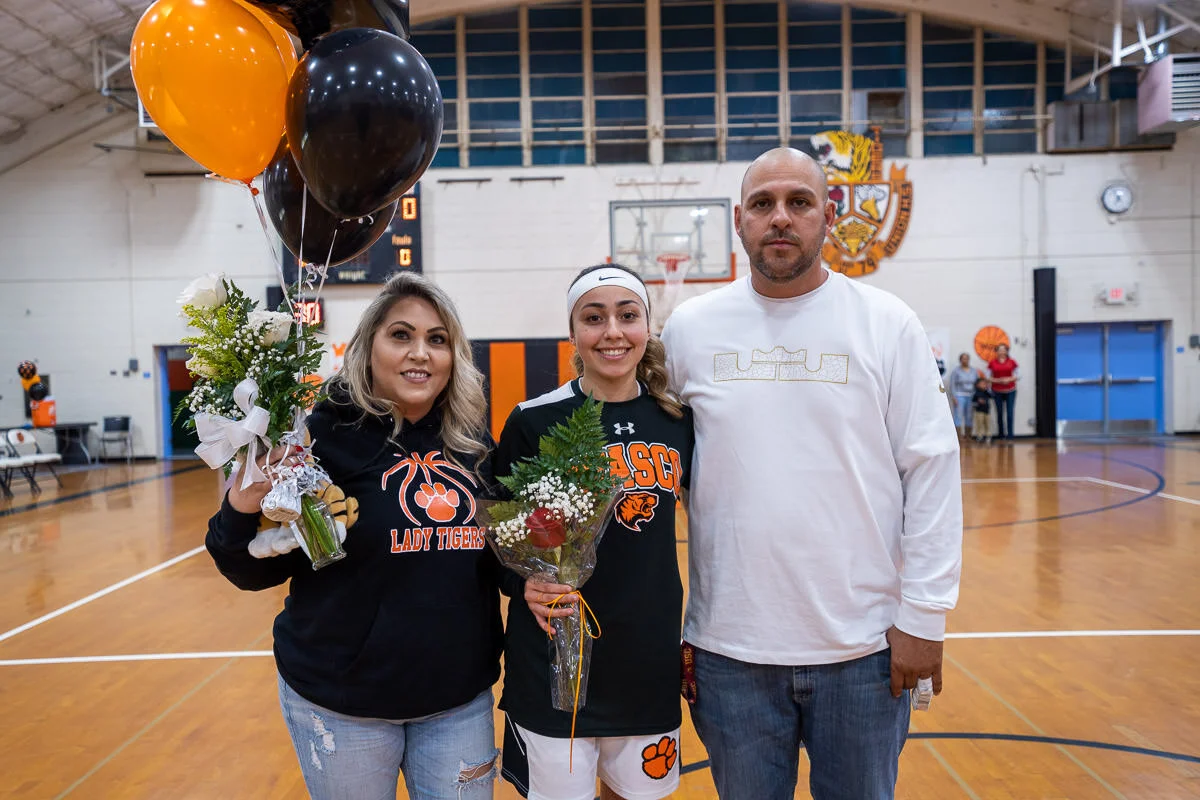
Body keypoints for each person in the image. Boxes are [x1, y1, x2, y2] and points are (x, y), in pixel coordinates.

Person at [660, 147, 963, 800]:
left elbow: (932, 470)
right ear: (739, 220)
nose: (780, 218)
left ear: (829, 215)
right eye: (763, 204)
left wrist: (926, 618)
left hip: (864, 650)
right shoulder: (689, 330)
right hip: (729, 653)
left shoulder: (887, 323)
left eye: (798, 202)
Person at [205, 272, 503, 800]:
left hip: (457, 701)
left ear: (453, 356)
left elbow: (499, 560)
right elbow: (250, 571)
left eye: (437, 339)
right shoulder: (318, 438)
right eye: (401, 335)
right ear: (368, 348)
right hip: (341, 703)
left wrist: (546, 569)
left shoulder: (471, 441)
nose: (420, 353)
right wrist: (240, 507)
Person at [494, 263, 694, 800]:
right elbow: (496, 534)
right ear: (573, 333)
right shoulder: (533, 420)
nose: (612, 332)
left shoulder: (677, 421)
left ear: (646, 327)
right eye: (593, 318)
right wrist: (523, 584)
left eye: (627, 316)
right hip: (554, 661)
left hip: (646, 660)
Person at [986, 343, 1018, 440]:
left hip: (1010, 390)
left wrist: (1009, 379)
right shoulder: (992, 363)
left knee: (1010, 413)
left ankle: (1010, 435)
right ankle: (1001, 434)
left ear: (1007, 351)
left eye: (1004, 350)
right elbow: (987, 377)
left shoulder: (1012, 362)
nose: (1002, 352)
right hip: (997, 391)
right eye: (1000, 350)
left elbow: (1018, 375)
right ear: (996, 352)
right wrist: (998, 380)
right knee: (999, 413)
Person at [948, 352, 981, 438]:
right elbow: (952, 384)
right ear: (960, 360)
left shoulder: (974, 371)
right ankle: (958, 437)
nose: (965, 360)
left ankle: (968, 436)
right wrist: (954, 397)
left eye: (966, 358)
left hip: (971, 396)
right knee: (958, 415)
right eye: (963, 358)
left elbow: (978, 383)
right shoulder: (956, 371)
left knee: (969, 416)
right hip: (959, 395)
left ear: (969, 360)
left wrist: (978, 396)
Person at [971, 376, 993, 444]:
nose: (984, 385)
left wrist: (988, 389)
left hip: (987, 411)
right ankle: (979, 436)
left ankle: (988, 436)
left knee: (988, 424)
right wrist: (978, 402)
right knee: (979, 424)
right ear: (977, 385)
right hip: (979, 411)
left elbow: (992, 396)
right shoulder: (976, 393)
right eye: (982, 384)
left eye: (985, 384)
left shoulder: (986, 392)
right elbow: (973, 402)